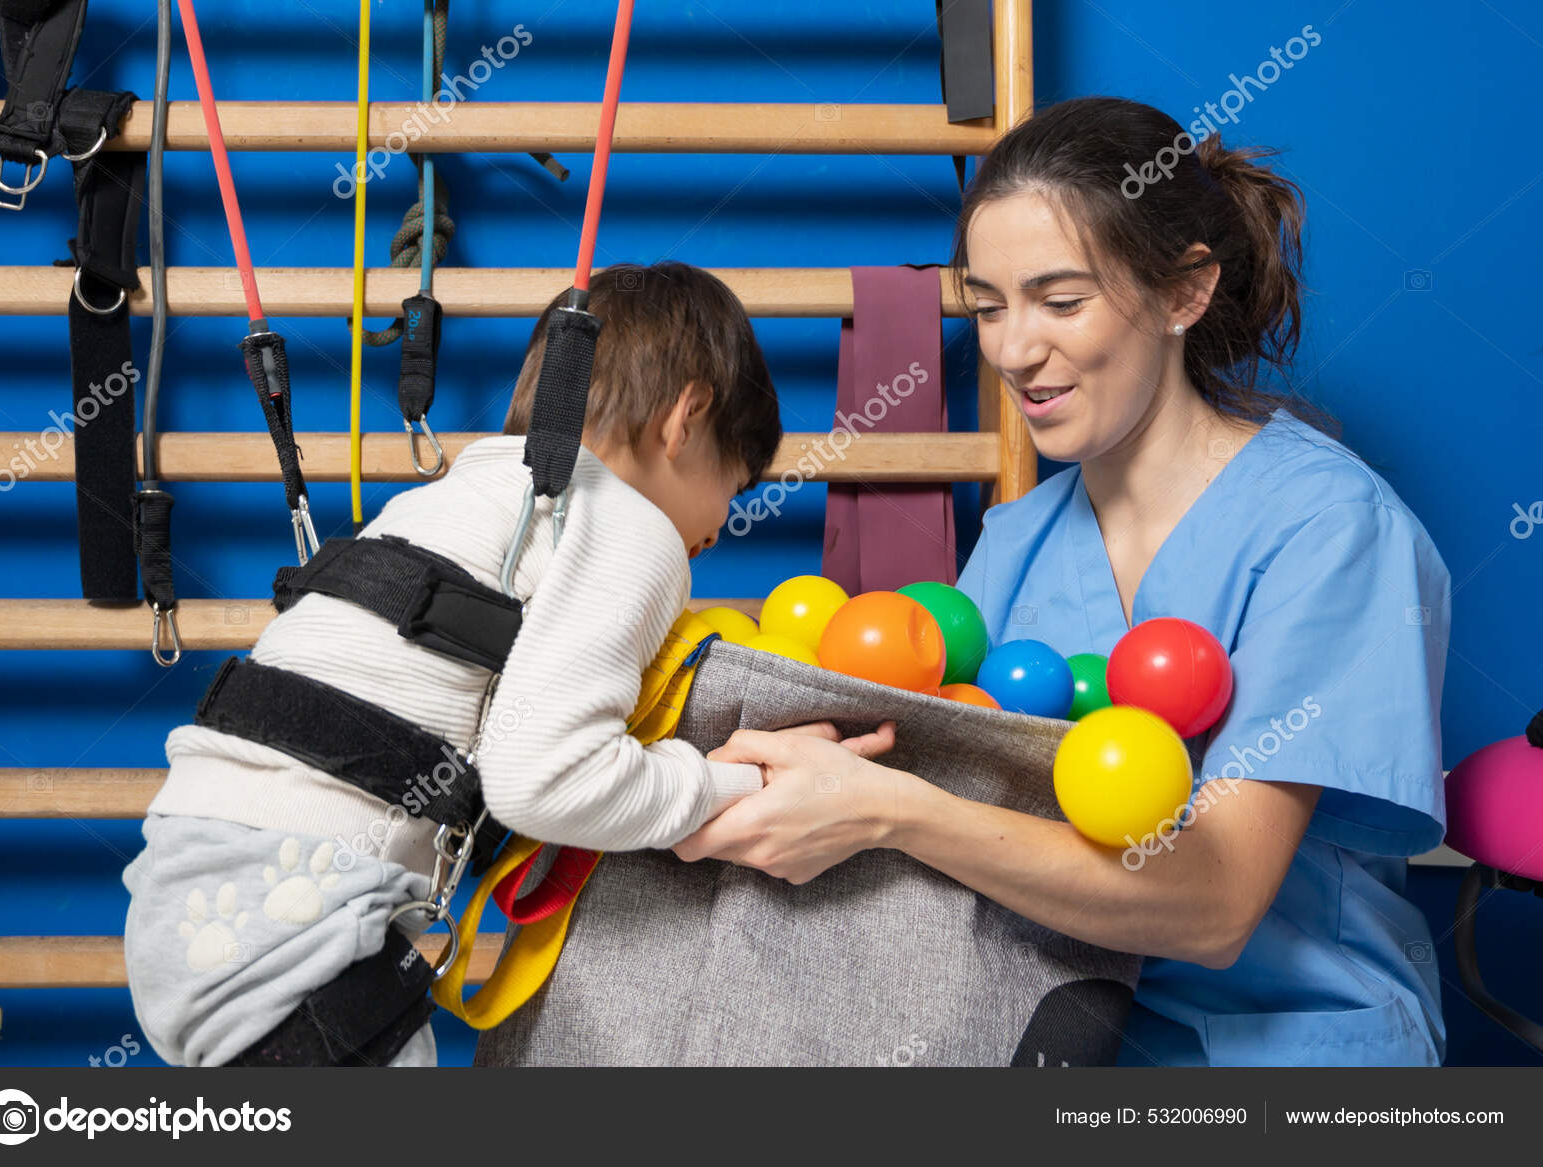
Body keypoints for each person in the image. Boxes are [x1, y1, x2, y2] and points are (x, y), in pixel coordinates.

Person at [674, 97, 1451, 1067]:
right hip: (1055, 1044)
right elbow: (952, 794)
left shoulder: (1331, 532)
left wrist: (886, 812)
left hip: (1296, 1055)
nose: (1011, 350)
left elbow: (1213, 907)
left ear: (1183, 293)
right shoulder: (1015, 541)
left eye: (1061, 301)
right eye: (989, 306)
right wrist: (751, 768)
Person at [121, 261, 784, 1067]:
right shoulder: (623, 525)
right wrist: (721, 782)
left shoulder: (457, 492)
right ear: (687, 419)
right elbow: (546, 779)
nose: (716, 531)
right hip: (297, 927)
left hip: (189, 878)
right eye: (735, 487)